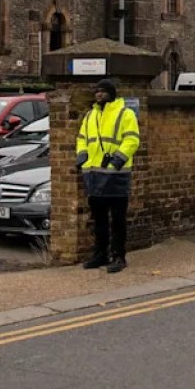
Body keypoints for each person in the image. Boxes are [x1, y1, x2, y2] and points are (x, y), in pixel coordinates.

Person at [76, 78, 140, 273]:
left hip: (117, 176)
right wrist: (82, 156)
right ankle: (100, 254)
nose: (98, 94)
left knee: (118, 219)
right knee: (99, 219)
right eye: (97, 91)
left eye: (103, 91)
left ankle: (119, 256)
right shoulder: (90, 115)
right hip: (94, 175)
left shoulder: (125, 114)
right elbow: (82, 138)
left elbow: (132, 140)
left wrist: (116, 160)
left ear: (111, 94)